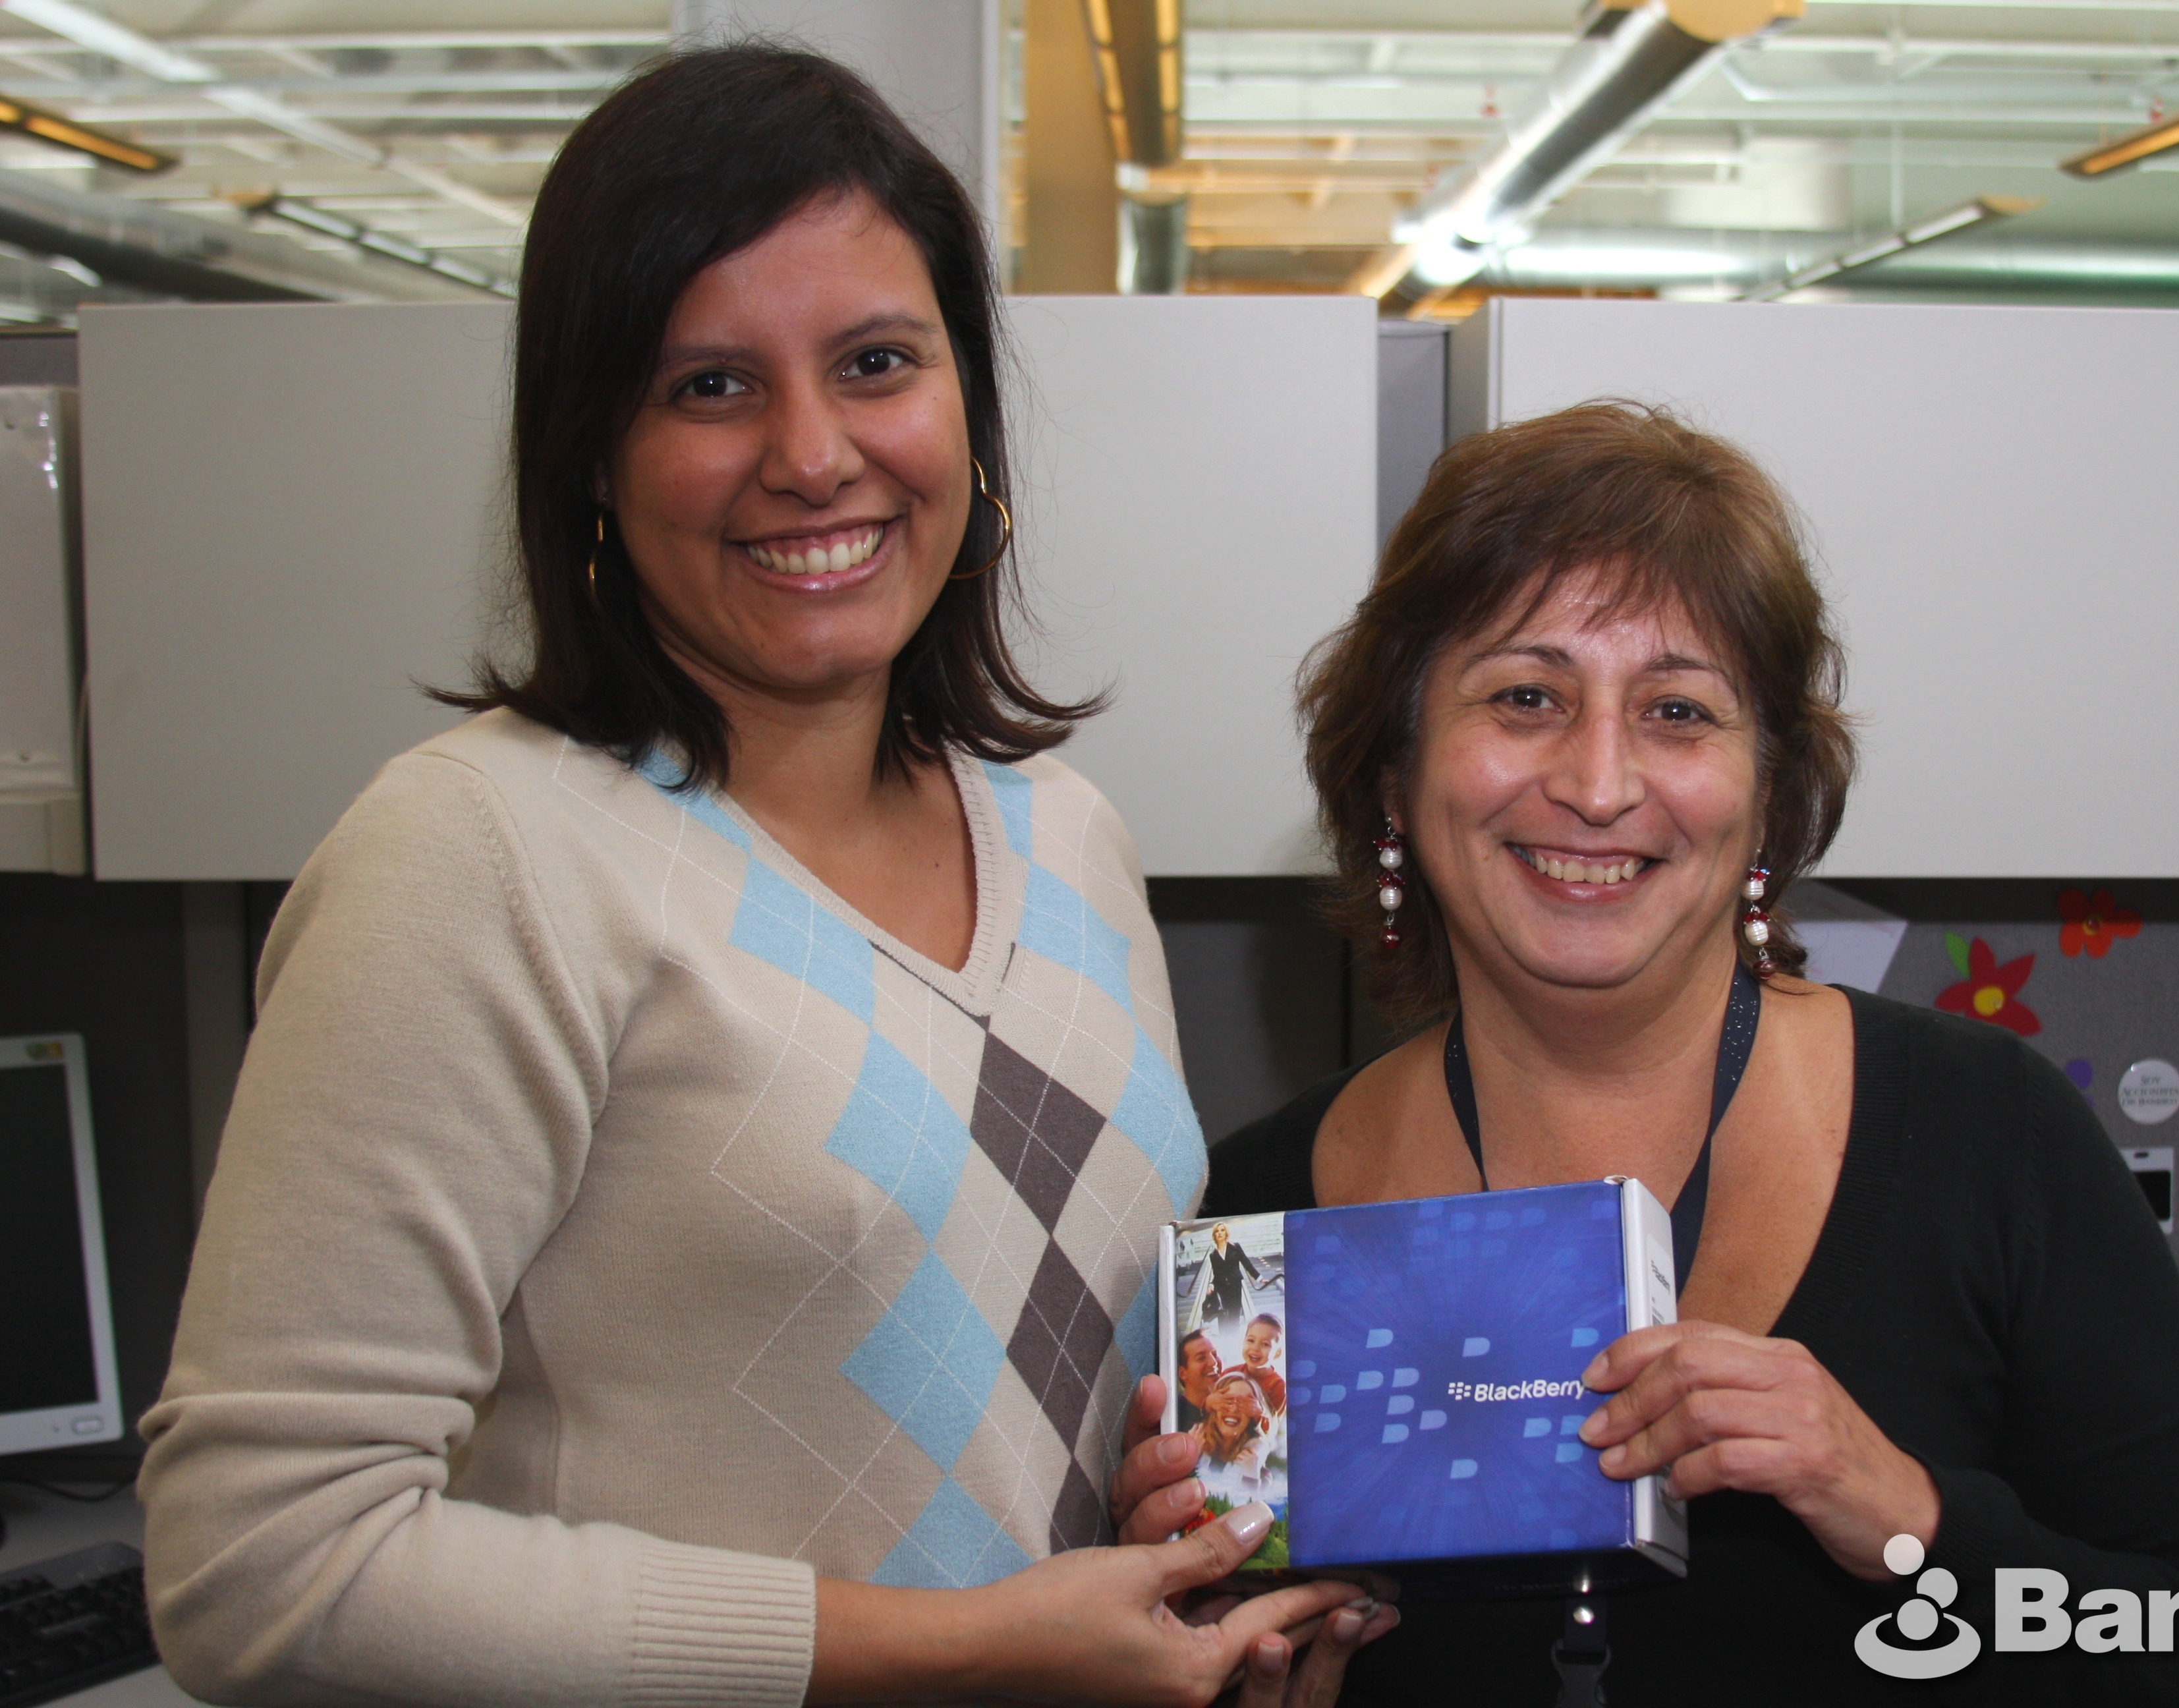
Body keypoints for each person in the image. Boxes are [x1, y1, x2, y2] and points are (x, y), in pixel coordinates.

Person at [136, 45, 1386, 1708]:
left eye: (876, 362)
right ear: (591, 455)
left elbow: (1028, 1428)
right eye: (710, 386)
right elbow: (259, 1563)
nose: (812, 454)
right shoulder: (481, 855)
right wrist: (961, 1654)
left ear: (966, 405)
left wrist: (1203, 1583)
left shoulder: (1063, 832)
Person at [1113, 403, 2179, 1704]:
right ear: (1395, 772)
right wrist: (1217, 1658)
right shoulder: (1259, 1239)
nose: (1599, 783)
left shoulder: (1991, 1138)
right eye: (1525, 696)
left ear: (1769, 793)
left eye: (1677, 709)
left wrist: (1903, 1515)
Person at [1191, 1372, 1275, 1490]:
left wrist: (1251, 1476)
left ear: (1253, 1418)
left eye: (1244, 1404)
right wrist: (1189, 1460)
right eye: (1227, 1402)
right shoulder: (1193, 1442)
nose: (1234, 1409)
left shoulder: (1261, 1473)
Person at [1197, 1220, 1266, 1332]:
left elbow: (1246, 1263)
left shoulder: (1235, 1247)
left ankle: (1234, 1334)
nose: (1220, 1233)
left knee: (1235, 1313)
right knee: (1224, 1314)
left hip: (1235, 1285)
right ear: (1214, 1235)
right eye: (1217, 1231)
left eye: (1222, 1230)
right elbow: (1216, 1274)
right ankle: (1226, 1336)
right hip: (1222, 1288)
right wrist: (1211, 1285)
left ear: (1226, 1233)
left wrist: (1259, 1278)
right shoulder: (1213, 1255)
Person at [1239, 1313, 1288, 1417]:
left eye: (1265, 1344)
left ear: (1278, 1353)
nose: (1255, 1348)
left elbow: (1274, 1422)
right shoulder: (1230, 1373)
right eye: (1251, 1340)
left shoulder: (1277, 1386)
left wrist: (1258, 1412)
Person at [1175, 1328, 1224, 1429]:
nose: (1214, 1362)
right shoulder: (1174, 1416)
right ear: (1183, 1373)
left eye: (1215, 1355)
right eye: (1201, 1358)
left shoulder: (1232, 1409)